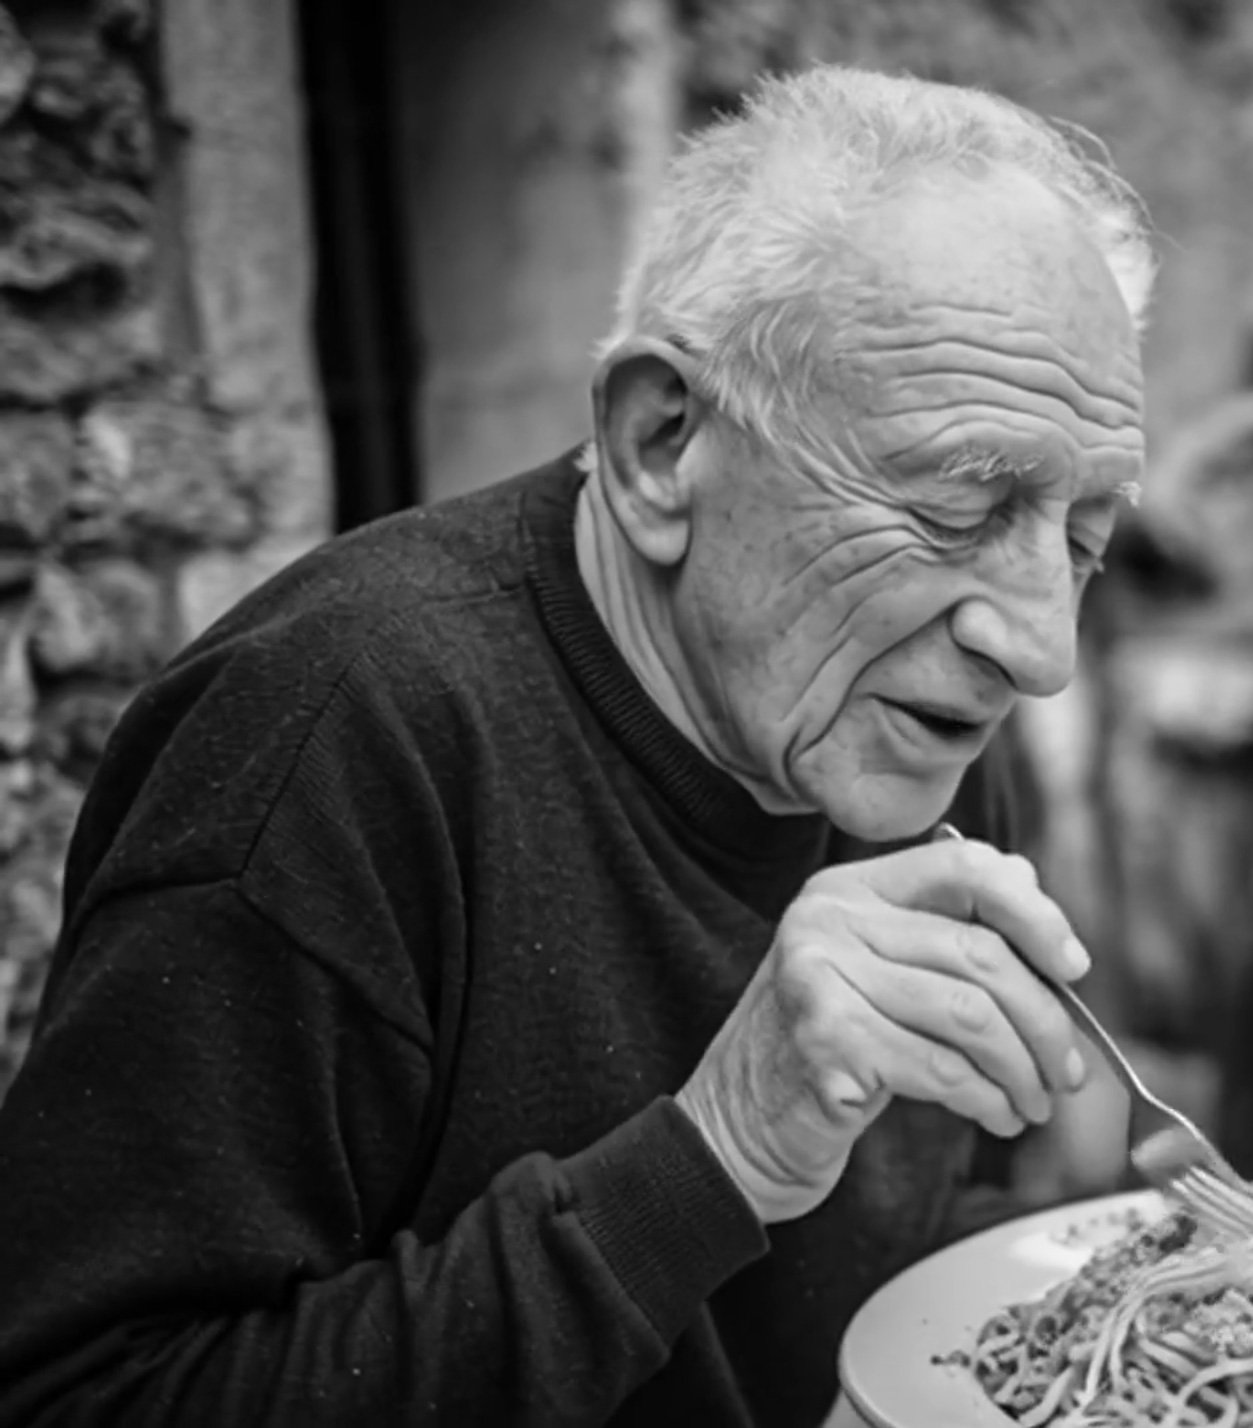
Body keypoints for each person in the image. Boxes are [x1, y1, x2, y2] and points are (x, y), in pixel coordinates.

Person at [0, 65, 1153, 1427]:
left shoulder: (911, 705)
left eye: (1081, 539)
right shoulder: (328, 740)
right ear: (665, 444)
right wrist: (709, 1159)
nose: (1038, 649)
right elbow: (83, 1399)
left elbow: (893, 1240)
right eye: (962, 506)